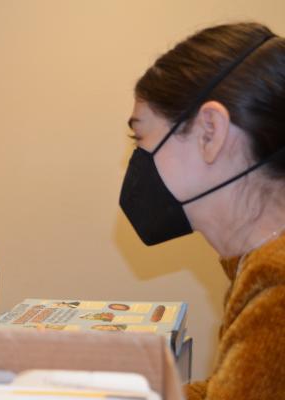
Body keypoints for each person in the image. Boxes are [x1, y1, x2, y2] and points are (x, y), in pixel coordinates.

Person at [119, 22, 285, 399]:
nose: (137, 161)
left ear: (210, 132)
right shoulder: (256, 264)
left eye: (141, 137)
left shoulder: (277, 292)